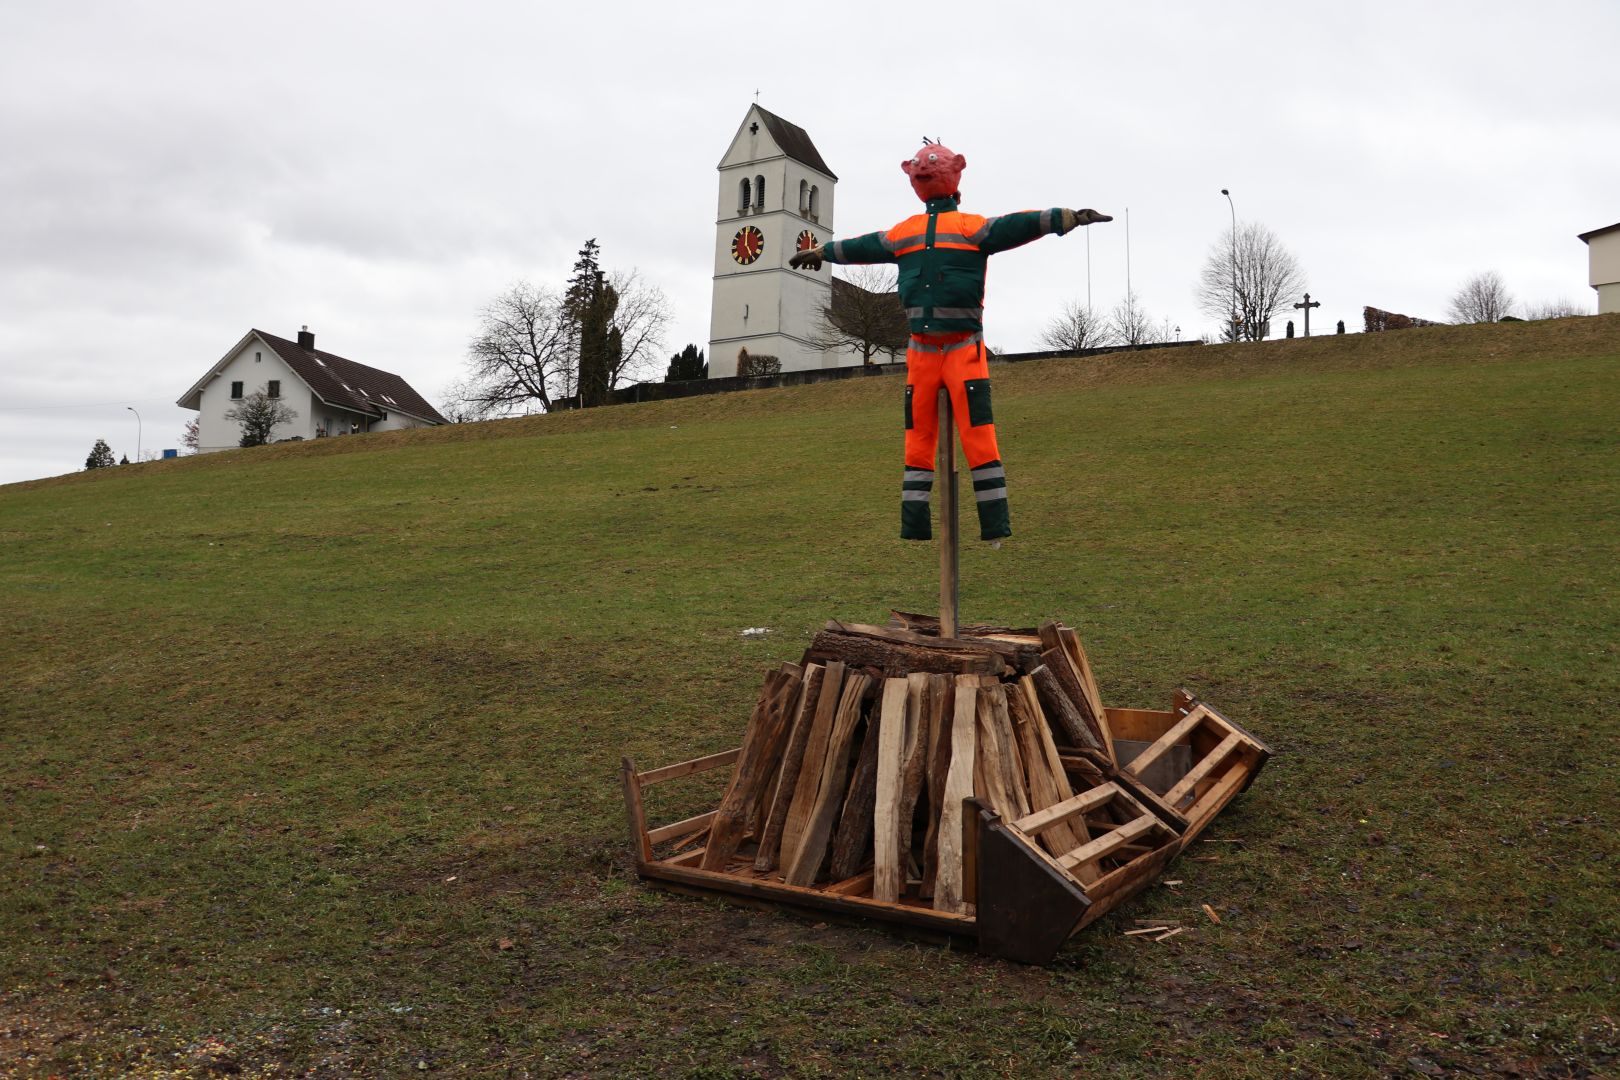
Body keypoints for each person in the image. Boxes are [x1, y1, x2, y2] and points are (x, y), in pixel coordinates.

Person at [791, 140, 1110, 541]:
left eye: (930, 165)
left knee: (972, 435)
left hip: (961, 349)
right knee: (927, 438)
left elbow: (1018, 225)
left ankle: (990, 525)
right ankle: (925, 525)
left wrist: (1065, 218)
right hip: (926, 352)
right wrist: (823, 252)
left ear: (955, 168)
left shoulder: (958, 229)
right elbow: (862, 246)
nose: (924, 171)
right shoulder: (923, 232)